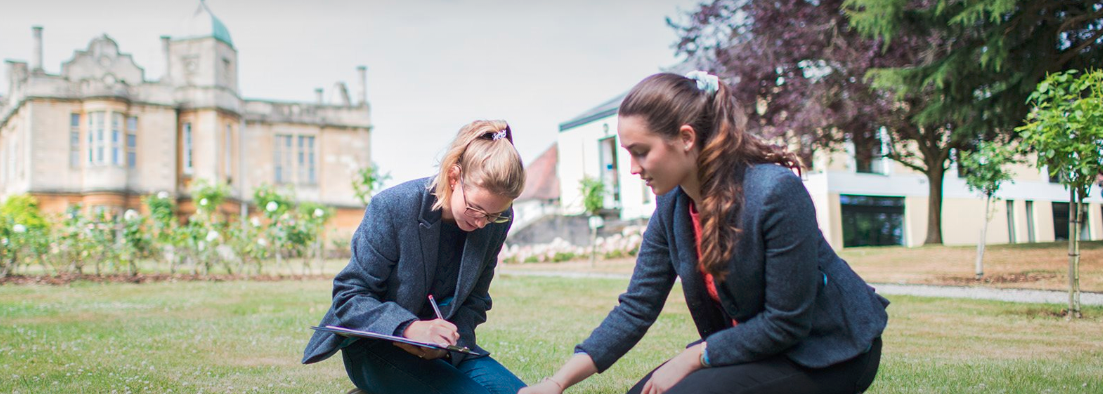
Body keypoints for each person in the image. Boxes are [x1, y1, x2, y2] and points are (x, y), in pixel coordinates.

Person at [520, 72, 889, 394]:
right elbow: (636, 307)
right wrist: (557, 383)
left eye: (641, 152)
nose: (632, 168)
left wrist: (695, 357)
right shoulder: (672, 207)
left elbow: (786, 322)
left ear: (685, 138)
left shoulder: (773, 193)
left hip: (826, 353)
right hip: (754, 348)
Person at [303, 120, 527, 394]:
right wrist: (409, 328)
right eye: (476, 209)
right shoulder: (392, 207)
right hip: (378, 346)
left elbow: (475, 300)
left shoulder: (496, 221)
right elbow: (349, 297)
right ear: (454, 178)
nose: (483, 223)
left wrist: (446, 346)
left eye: (494, 214)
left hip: (444, 350)